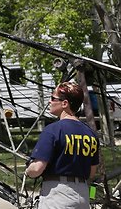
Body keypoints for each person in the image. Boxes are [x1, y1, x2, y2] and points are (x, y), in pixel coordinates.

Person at [26, 81, 99, 209]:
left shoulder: (53, 130)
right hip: (82, 195)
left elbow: (37, 169)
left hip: (58, 196)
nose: (50, 101)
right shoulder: (91, 134)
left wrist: (28, 170)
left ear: (65, 103)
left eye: (53, 98)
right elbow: (92, 173)